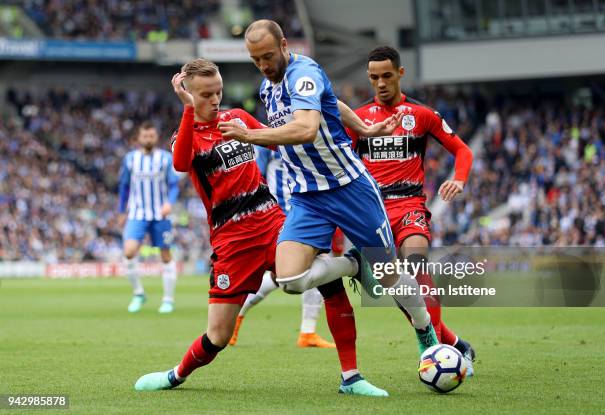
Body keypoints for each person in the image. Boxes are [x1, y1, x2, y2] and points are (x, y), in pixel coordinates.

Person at [134, 58, 389, 397]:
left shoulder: (237, 118)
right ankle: (176, 376)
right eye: (206, 95)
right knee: (218, 336)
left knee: (329, 285)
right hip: (232, 241)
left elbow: (276, 140)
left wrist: (322, 126)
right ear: (190, 95)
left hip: (272, 222)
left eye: (218, 92)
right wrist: (187, 109)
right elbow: (180, 164)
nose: (215, 100)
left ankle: (352, 377)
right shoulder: (186, 135)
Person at [218, 19, 439, 366]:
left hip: (348, 187)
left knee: (388, 273)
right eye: (255, 58)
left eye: (268, 55)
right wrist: (364, 127)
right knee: (289, 278)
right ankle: (353, 265)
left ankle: (426, 332)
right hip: (308, 196)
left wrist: (248, 136)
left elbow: (306, 129)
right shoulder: (267, 87)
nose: (263, 64)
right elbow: (332, 101)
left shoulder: (303, 73)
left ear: (285, 45)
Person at [346, 46, 476, 375]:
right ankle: (453, 344)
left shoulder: (422, 114)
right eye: (374, 77)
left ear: (400, 74)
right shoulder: (358, 119)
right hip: (372, 211)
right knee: (399, 288)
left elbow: (462, 151)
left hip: (409, 205)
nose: (381, 83)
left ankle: (436, 352)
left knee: (416, 263)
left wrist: (458, 180)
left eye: (387, 76)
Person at [229, 146, 338, 349]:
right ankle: (306, 332)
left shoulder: (308, 136)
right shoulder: (268, 143)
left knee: (311, 269)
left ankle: (307, 332)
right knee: (291, 273)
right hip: (282, 216)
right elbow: (256, 176)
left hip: (311, 212)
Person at [118, 122, 179, 314]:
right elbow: (124, 187)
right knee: (129, 252)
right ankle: (138, 294)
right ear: (138, 138)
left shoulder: (165, 159)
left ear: (156, 137)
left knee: (165, 255)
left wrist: (170, 202)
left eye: (151, 136)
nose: (148, 139)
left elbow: (174, 185)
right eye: (145, 136)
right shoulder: (130, 159)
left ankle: (168, 300)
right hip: (137, 213)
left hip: (160, 214)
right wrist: (121, 211)